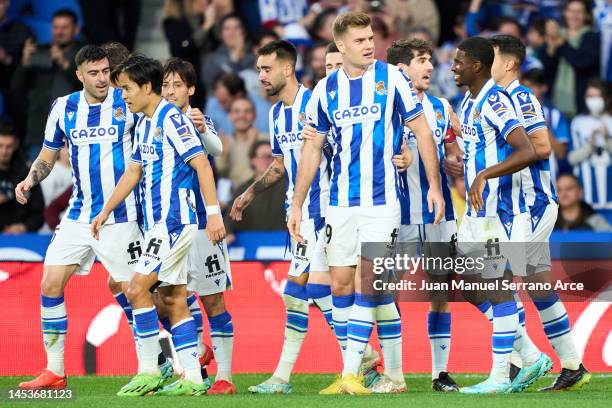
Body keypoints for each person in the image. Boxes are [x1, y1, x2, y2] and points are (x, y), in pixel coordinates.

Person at [291, 12, 444, 395]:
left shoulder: (392, 78)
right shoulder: (325, 90)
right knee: (340, 286)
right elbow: (312, 149)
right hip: (339, 204)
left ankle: (349, 374)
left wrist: (434, 185)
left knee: (370, 282)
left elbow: (421, 129)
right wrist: (297, 203)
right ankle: (388, 375)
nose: (368, 44)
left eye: (370, 37)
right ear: (340, 47)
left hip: (383, 202)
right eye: (359, 40)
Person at [91, 54, 224, 396]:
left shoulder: (171, 120)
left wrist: (214, 214)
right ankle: (193, 378)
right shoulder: (145, 123)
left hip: (175, 221)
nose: (123, 96)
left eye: (127, 89)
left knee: (135, 289)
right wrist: (106, 210)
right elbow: (133, 171)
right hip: (157, 224)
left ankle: (150, 370)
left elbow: (203, 165)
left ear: (147, 87)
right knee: (173, 297)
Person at [15, 45, 141, 390]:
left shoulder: (127, 101)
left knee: (140, 292)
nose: (102, 79)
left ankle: (171, 357)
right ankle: (55, 370)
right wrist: (30, 178)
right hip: (78, 215)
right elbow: (48, 154)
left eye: (105, 71)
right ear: (80, 75)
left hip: (121, 215)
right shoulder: (63, 107)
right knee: (50, 284)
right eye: (95, 73)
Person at [491, 34, 590, 392]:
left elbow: (543, 146)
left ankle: (522, 361)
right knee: (535, 284)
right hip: (515, 205)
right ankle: (570, 364)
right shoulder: (494, 99)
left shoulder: (521, 97)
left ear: (508, 63)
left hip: (531, 203)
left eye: (493, 55)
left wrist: (500, 163)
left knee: (497, 278)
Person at [450, 36, 538, 394]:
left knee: (497, 288)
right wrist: (465, 166)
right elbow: (479, 148)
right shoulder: (469, 100)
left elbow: (526, 149)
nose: (452, 66)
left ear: (476, 66)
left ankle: (501, 375)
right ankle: (530, 355)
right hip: (474, 212)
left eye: (458, 61)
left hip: (495, 212)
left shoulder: (495, 101)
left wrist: (485, 175)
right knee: (464, 280)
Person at [386, 38, 463, 393]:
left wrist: (456, 161)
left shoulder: (441, 106)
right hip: (396, 213)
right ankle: (394, 372)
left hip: (436, 211)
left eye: (430, 60)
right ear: (402, 68)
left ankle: (440, 373)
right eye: (421, 61)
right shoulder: (384, 107)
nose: (430, 67)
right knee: (389, 293)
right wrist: (396, 161)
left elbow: (455, 152)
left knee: (440, 290)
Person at [160, 57, 235, 395]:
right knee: (166, 297)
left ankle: (226, 378)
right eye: (165, 85)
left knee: (213, 301)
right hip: (167, 225)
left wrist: (203, 129)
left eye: (177, 84)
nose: (170, 90)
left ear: (190, 88)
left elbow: (217, 151)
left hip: (203, 224)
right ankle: (196, 357)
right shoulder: (152, 122)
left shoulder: (196, 118)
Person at [10, 9, 82, 158]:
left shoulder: (84, 55)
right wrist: (24, 62)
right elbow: (16, 87)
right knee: (36, 180)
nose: (59, 32)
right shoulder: (40, 52)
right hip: (39, 133)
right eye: (56, 27)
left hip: (72, 133)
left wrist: (64, 63)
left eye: (64, 28)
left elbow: (92, 86)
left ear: (76, 29)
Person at [539, 0, 601, 117]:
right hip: (554, 101)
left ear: (587, 15)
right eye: (571, 11)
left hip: (581, 104)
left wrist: (561, 43)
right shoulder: (556, 35)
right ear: (565, 13)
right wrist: (551, 48)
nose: (574, 15)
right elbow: (546, 67)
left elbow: (582, 62)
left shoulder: (593, 37)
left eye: (579, 12)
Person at [224, 140, 286, 242]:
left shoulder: (287, 185)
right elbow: (230, 218)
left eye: (271, 157)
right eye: (262, 156)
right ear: (253, 160)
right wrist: (228, 232)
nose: (266, 160)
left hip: (281, 242)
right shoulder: (243, 189)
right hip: (249, 244)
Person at [568, 79, 612, 209]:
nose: (591, 100)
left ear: (606, 98)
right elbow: (571, 159)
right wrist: (590, 146)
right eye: (589, 96)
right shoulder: (578, 122)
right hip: (587, 196)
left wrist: (607, 140)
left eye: (595, 96)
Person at [521, 68, 572, 179]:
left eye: (531, 86)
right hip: (521, 175)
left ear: (543, 88)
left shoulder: (555, 115)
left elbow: (561, 153)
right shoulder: (512, 113)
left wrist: (543, 129)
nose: (526, 90)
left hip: (549, 176)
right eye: (524, 86)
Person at [0, 123, 43, 233]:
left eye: (8, 146)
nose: (4, 151)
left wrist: (24, 227)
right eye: (0, 146)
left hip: (21, 238)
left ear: (16, 145)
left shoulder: (27, 173)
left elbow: (39, 212)